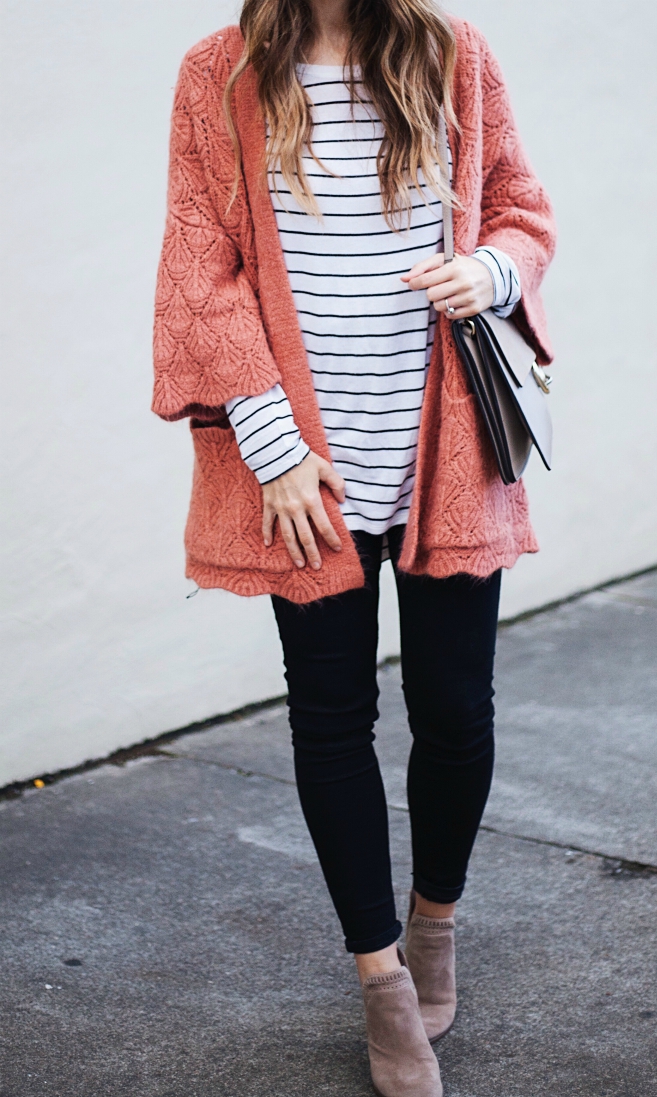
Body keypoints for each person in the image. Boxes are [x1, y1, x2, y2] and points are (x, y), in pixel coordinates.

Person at [153, 1, 555, 1093]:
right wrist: (271, 444)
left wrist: (491, 271)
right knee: (331, 718)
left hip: (442, 450)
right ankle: (380, 976)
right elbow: (203, 270)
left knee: (456, 710)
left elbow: (520, 206)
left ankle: (434, 921)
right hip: (304, 471)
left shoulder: (450, 54)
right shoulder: (218, 72)